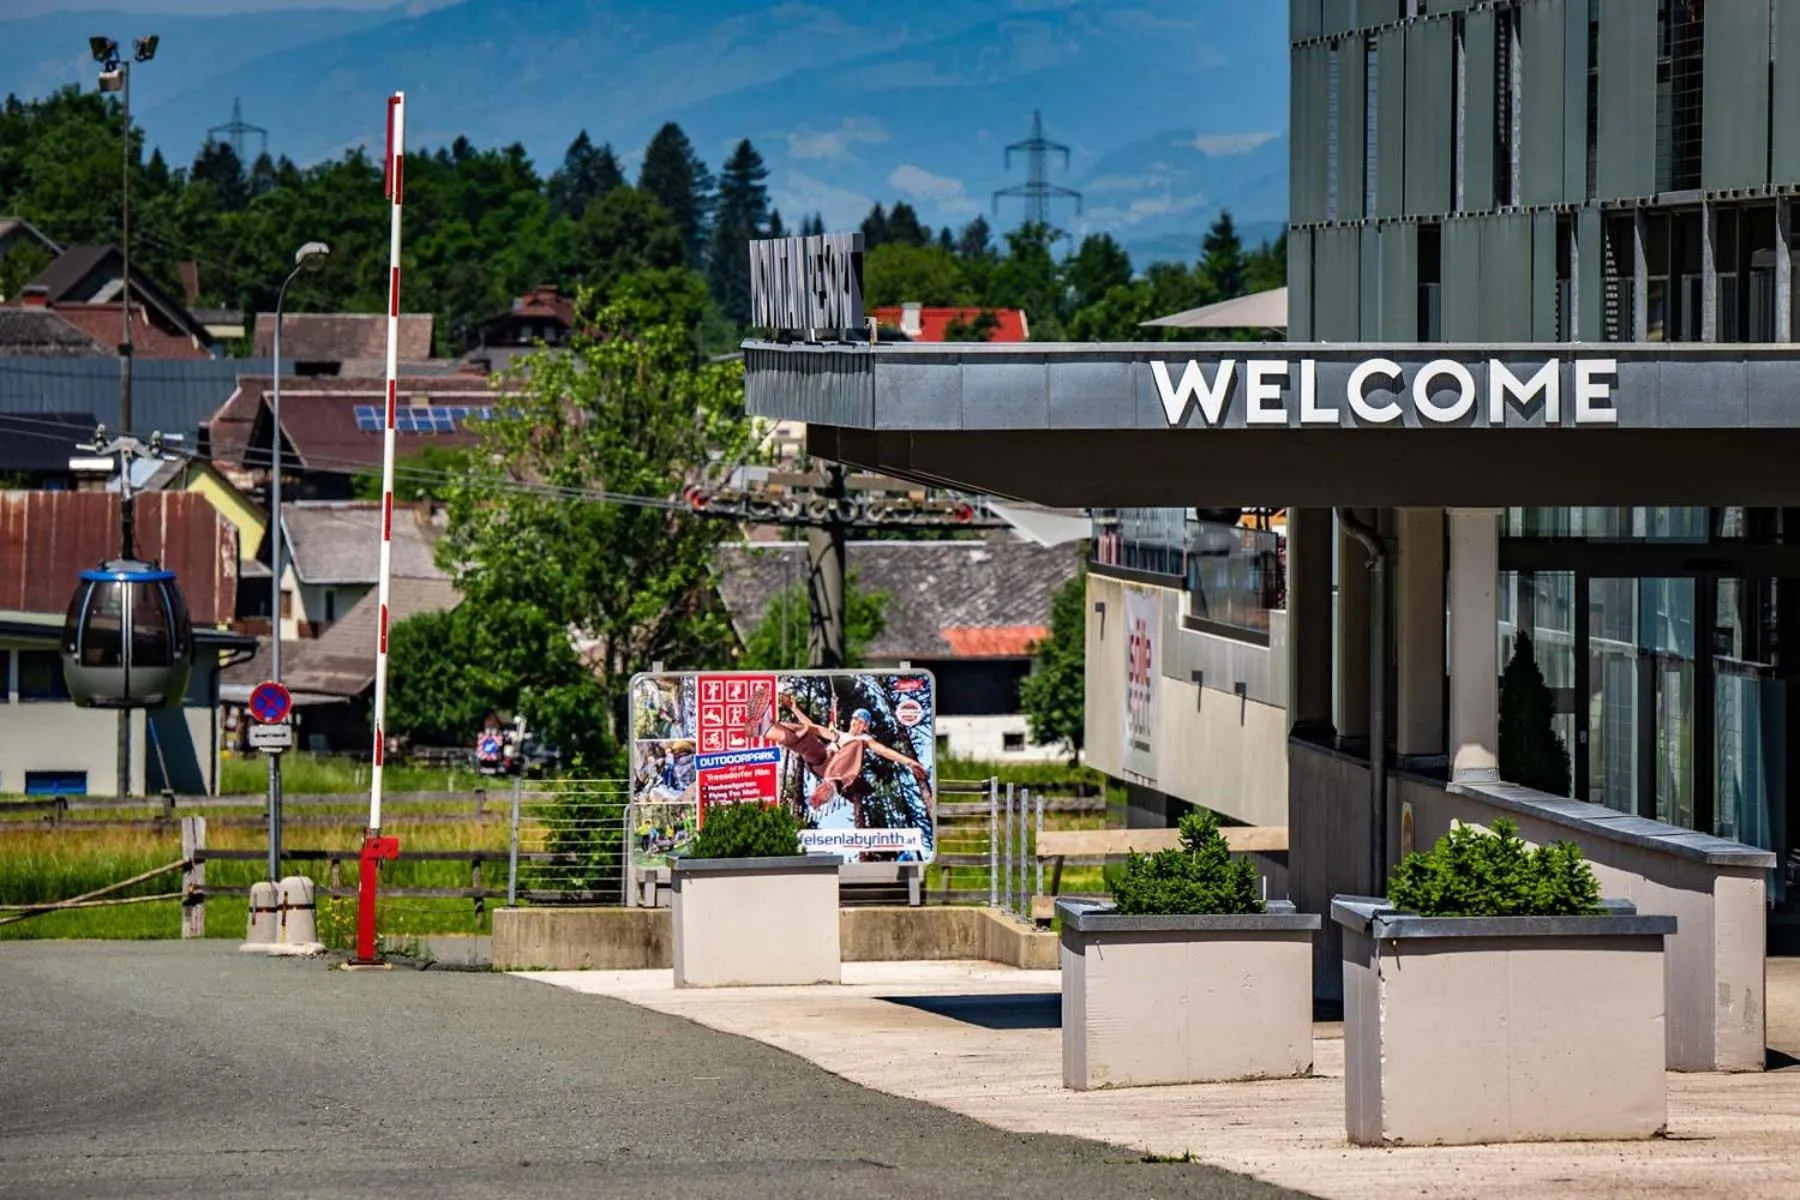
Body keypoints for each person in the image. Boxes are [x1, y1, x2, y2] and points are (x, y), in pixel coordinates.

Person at [758, 697, 931, 823]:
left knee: (857, 743)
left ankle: (831, 784)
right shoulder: (838, 734)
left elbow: (884, 750)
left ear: (866, 726)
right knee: (805, 734)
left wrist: (909, 762)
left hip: (837, 770)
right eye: (855, 719)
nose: (856, 723)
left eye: (861, 721)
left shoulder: (864, 740)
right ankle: (766, 728)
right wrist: (794, 708)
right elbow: (812, 727)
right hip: (821, 761)